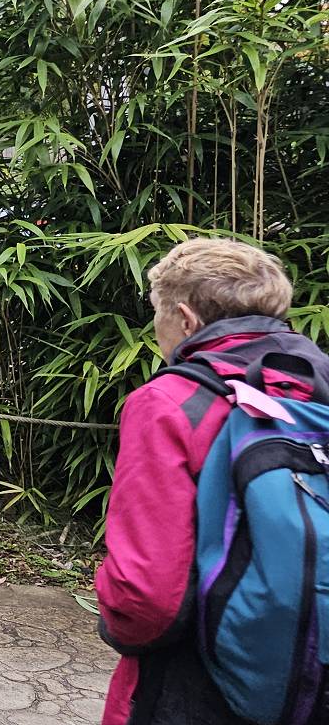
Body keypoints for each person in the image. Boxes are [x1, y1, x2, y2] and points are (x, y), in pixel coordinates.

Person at [96, 237, 329, 724]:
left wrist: (117, 619)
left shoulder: (170, 402)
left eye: (157, 314)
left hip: (200, 679)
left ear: (185, 319)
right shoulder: (318, 387)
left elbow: (147, 596)